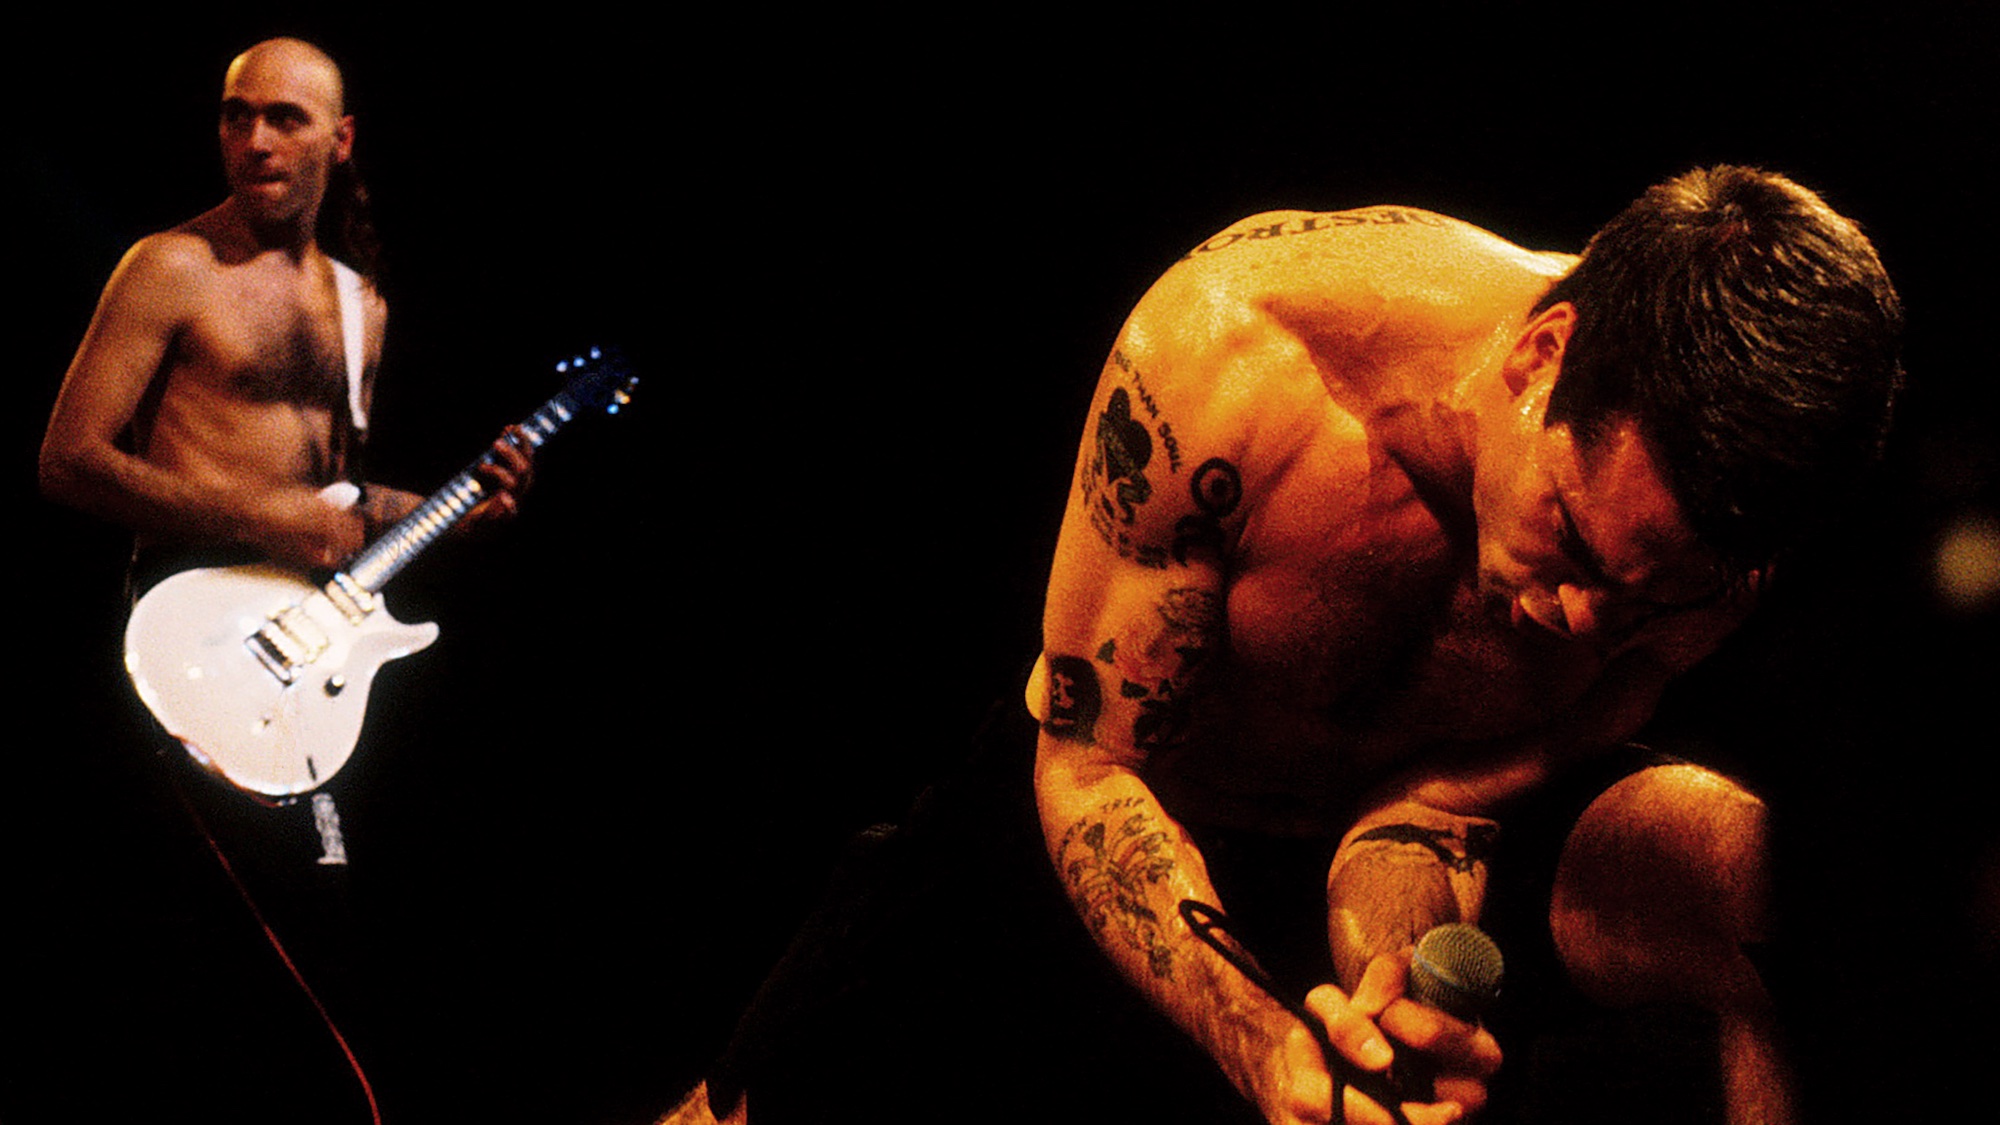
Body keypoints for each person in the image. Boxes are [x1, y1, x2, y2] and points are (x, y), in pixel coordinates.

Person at [678, 167, 1901, 1125]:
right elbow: (1089, 768)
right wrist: (1264, 1043)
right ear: (1540, 359)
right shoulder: (1239, 357)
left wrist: (1390, 983)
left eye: (1643, 602)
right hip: (1120, 815)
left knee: (1754, 881)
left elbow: (1430, 805)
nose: (1583, 621)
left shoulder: (1718, 555)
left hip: (1389, 842)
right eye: (1572, 542)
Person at [37, 37, 532, 1119]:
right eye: (234, 114)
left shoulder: (362, 307)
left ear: (340, 140)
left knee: (330, 939)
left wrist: (459, 514)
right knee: (221, 958)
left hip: (298, 664)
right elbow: (68, 459)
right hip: (180, 635)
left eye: (284, 118)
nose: (253, 138)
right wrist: (256, 515)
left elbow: (336, 511)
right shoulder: (168, 266)